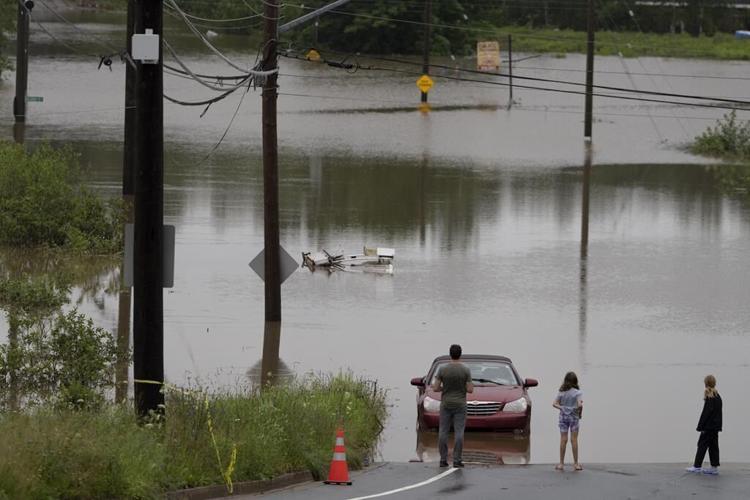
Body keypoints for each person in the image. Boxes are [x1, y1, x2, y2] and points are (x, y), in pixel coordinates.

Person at [432, 344, 473, 468]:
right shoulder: (466, 369)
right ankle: (457, 460)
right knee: (459, 432)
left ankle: (443, 459)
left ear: (450, 354)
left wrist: (444, 388)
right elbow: (470, 390)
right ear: (460, 354)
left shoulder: (442, 369)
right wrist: (461, 388)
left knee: (443, 431)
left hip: (446, 404)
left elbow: (435, 388)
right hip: (460, 404)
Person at [686, 375, 722, 475]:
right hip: (715, 427)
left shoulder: (709, 396)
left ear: (706, 384)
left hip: (708, 427)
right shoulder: (718, 396)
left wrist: (700, 427)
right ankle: (714, 468)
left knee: (702, 445)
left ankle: (697, 466)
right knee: (714, 446)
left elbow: (705, 414)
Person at [553, 371, 583, 471]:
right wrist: (579, 413)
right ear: (575, 381)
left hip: (563, 417)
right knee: (574, 440)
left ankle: (561, 464)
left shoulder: (561, 392)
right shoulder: (577, 392)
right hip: (574, 417)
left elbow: (554, 404)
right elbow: (580, 405)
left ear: (565, 380)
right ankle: (576, 464)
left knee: (563, 439)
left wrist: (562, 407)